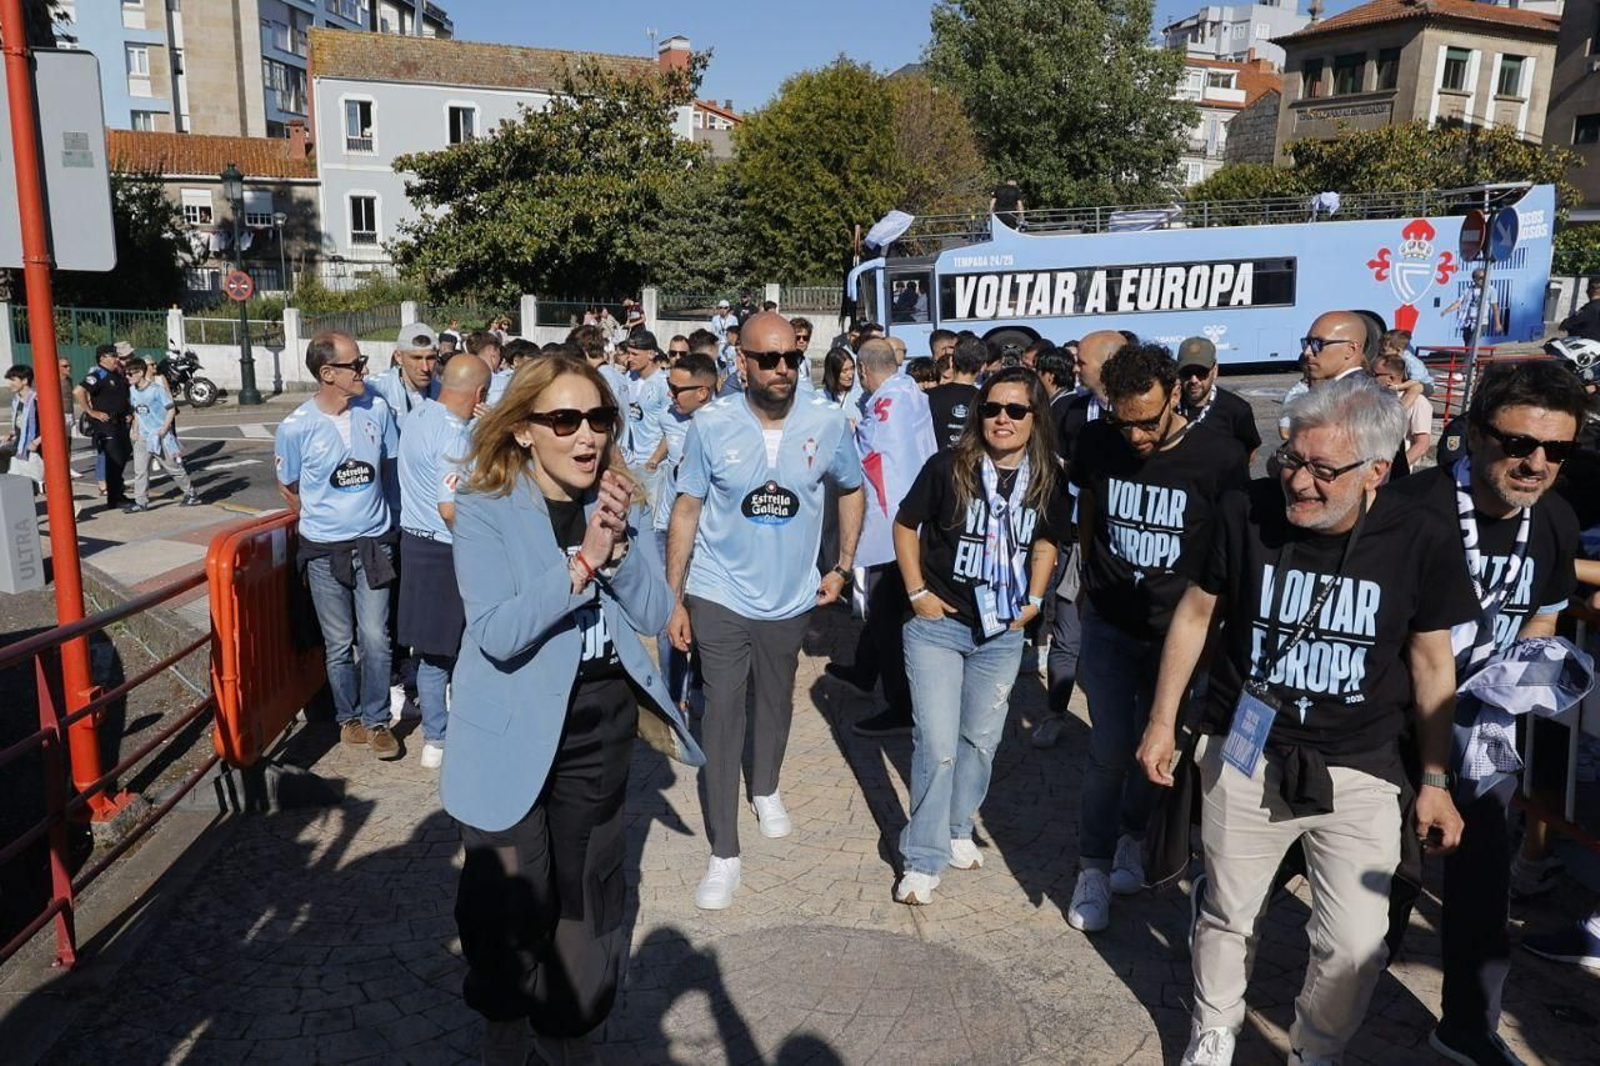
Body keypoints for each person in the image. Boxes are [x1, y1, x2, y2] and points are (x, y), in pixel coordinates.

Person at [1135, 375, 1472, 1066]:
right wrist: (1163, 721)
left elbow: (1434, 665)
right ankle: (1215, 1025)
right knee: (1228, 907)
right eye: (1292, 459)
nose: (1300, 483)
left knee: (1353, 941)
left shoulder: (1421, 537)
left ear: (1378, 470)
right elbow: (1196, 614)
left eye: (1324, 470)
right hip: (1246, 745)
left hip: (1361, 764)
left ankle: (1315, 1049)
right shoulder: (1243, 510)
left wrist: (1435, 778)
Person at [444, 355, 701, 1066]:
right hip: (510, 721)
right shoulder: (484, 506)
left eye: (599, 419)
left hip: (598, 716)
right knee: (510, 892)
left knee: (585, 890)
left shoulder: (618, 495)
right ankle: (504, 1020)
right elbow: (495, 632)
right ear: (524, 430)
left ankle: (568, 1029)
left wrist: (617, 555)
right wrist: (581, 564)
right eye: (565, 420)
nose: (586, 436)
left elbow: (653, 610)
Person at [1386, 360, 1585, 1066]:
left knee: (1481, 884)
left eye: (1556, 450)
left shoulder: (1554, 519)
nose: (1535, 463)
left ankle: (1468, 1026)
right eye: (1518, 444)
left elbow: (1546, 615)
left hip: (1481, 729)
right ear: (1473, 435)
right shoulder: (1410, 508)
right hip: (1388, 722)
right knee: (1387, 873)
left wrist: (1505, 697)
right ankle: (1337, 989)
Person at [665, 312, 864, 911]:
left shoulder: (828, 421)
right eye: (769, 359)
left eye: (791, 359)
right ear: (741, 363)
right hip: (719, 591)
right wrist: (674, 599)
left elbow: (851, 487)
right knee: (722, 710)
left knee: (775, 701)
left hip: (790, 597)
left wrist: (843, 564)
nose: (783, 369)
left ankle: (768, 787)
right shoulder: (710, 424)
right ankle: (724, 852)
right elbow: (687, 509)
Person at [1067, 342, 1248, 933]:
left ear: (1175, 395)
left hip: (1181, 636)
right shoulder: (1097, 442)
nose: (1137, 436)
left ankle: (1131, 836)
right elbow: (1089, 503)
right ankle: (1092, 864)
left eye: (1147, 421)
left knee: (1157, 747)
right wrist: (1087, 580)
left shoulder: (1219, 458)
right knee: (1107, 749)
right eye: (1125, 422)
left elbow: (1231, 550)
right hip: (1111, 624)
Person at [891, 367, 1060, 903]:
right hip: (940, 627)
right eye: (992, 408)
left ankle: (958, 827)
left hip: (1002, 632)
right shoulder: (949, 467)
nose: (1002, 419)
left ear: (1036, 418)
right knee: (937, 744)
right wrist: (917, 591)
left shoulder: (1047, 477)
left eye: (1016, 410)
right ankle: (922, 856)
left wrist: (1034, 601)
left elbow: (1048, 541)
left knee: (980, 743)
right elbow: (904, 524)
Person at [275, 332, 402, 759]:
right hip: (324, 551)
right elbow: (289, 486)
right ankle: (347, 719)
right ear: (328, 373)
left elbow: (389, 472)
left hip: (373, 545)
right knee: (338, 642)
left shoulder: (378, 410)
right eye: (356, 364)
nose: (364, 370)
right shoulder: (295, 428)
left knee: (376, 638)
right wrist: (323, 520)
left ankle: (378, 721)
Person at [834, 339, 936, 738]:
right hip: (916, 518)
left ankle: (901, 704)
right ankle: (864, 669)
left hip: (891, 524)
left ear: (862, 370)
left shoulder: (884, 406)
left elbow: (871, 459)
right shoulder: (908, 390)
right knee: (886, 607)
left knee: (883, 612)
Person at [396, 354, 489, 771]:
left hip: (414, 541)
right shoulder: (456, 436)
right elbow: (450, 507)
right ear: (480, 393)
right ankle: (442, 735)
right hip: (446, 547)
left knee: (428, 649)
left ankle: (436, 734)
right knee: (453, 652)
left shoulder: (418, 416)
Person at [1031, 329, 1121, 749]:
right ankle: (1055, 713)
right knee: (1067, 630)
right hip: (1074, 540)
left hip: (1122, 550)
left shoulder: (1138, 414)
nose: (1074, 367)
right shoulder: (1069, 411)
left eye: (1081, 361)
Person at [122, 357, 200, 511]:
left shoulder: (156, 390)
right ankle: (141, 502)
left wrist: (164, 429)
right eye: (126, 374)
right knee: (140, 471)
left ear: (141, 372)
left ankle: (190, 493)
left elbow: (171, 409)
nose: (128, 377)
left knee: (173, 468)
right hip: (142, 437)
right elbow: (137, 411)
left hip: (159, 437)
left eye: (130, 374)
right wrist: (134, 429)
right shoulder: (132, 390)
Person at [1175, 337, 1261, 462]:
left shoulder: (1237, 410)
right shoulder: (1166, 405)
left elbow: (1249, 454)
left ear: (1215, 371)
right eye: (1187, 372)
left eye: (1201, 372)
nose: (1194, 380)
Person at [74, 344, 133, 510]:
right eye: (112, 355)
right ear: (102, 358)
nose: (116, 359)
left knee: (122, 457)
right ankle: (115, 498)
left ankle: (117, 494)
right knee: (114, 461)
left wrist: (128, 412)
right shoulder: (98, 373)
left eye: (116, 355)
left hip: (120, 423)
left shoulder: (116, 374)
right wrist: (91, 411)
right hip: (106, 425)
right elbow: (78, 391)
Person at [1370, 352, 1432, 468]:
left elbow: (1422, 444)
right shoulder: (1372, 398)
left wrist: (1395, 469)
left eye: (1375, 374)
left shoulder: (1418, 402)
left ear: (1391, 378)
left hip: (1391, 475)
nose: (1371, 378)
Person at [926, 335, 986, 450]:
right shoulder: (986, 400)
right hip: (971, 463)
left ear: (952, 362)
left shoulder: (927, 396)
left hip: (934, 463)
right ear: (983, 367)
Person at [370, 323, 441, 420]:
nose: (425, 368)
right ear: (398, 357)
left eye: (431, 358)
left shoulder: (441, 391)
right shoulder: (376, 390)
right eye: (416, 358)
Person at [621, 330, 669, 471]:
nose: (629, 358)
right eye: (629, 353)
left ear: (651, 354)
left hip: (653, 465)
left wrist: (653, 461)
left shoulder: (664, 384)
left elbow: (670, 430)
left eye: (635, 354)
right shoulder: (628, 377)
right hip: (629, 462)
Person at [3, 364, 42, 491]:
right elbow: (21, 423)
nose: (10, 384)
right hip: (19, 449)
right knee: (18, 483)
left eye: (13, 380)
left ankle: (71, 506)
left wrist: (36, 442)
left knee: (38, 483)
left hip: (34, 450)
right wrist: (12, 433)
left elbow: (52, 426)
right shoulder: (17, 400)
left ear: (25, 380)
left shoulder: (37, 400)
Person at [1444, 269, 1504, 347]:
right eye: (1481, 278)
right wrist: (1446, 311)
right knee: (1467, 342)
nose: (1483, 280)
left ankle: (1471, 358)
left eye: (1485, 277)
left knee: (1472, 342)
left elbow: (1495, 308)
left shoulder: (1490, 290)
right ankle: (1469, 358)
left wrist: (1497, 323)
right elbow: (1458, 302)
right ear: (1474, 279)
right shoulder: (1468, 290)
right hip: (1468, 322)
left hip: (1481, 322)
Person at [469, 330, 512, 406]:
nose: (500, 358)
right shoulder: (506, 384)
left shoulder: (461, 381)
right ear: (493, 351)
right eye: (499, 353)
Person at [821, 346, 862, 416]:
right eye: (844, 371)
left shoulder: (861, 395)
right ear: (833, 372)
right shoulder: (821, 397)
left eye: (852, 368)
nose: (850, 375)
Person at [1560, 278, 1600, 343]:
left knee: (1550, 346)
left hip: (1585, 346)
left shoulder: (1589, 308)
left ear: (1589, 291)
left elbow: (1567, 324)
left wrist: (1565, 324)